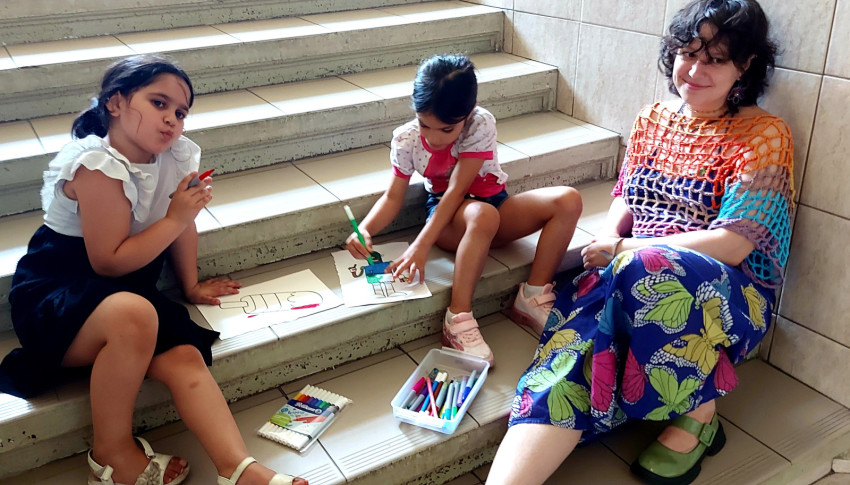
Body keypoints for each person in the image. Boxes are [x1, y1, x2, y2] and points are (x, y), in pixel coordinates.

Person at [487, 1, 793, 483]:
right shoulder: (653, 119)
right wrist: (611, 236)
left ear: (746, 65)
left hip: (728, 294)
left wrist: (624, 250)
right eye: (688, 54)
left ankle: (699, 412)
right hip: (633, 273)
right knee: (569, 363)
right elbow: (627, 196)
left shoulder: (765, 134)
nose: (695, 70)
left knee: (639, 270)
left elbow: (734, 245)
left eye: (715, 60)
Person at [0, 55, 306, 485]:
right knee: (136, 315)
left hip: (127, 292)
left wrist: (190, 284)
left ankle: (237, 468)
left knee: (184, 355)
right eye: (158, 103)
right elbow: (108, 261)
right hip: (59, 293)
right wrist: (176, 217)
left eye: (180, 112)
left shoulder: (175, 157)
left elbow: (182, 228)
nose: (171, 120)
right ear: (115, 103)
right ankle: (109, 455)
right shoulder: (97, 165)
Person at [345, 54, 582, 365]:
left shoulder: (480, 124)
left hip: (495, 208)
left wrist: (419, 246)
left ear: (468, 113)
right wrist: (364, 229)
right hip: (450, 222)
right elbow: (393, 197)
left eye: (446, 129)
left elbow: (459, 187)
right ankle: (457, 317)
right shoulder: (406, 140)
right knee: (483, 215)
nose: (433, 137)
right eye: (424, 124)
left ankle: (532, 297)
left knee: (568, 199)